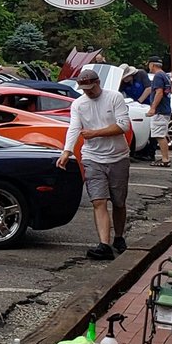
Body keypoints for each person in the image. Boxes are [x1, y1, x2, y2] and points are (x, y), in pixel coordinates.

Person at [59, 67, 133, 260]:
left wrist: (94, 133)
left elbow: (123, 125)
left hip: (118, 156)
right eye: (84, 89)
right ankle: (104, 244)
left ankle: (119, 237)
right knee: (98, 201)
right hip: (92, 157)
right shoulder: (79, 104)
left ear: (98, 83)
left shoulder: (114, 97)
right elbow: (74, 128)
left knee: (118, 202)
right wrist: (67, 151)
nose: (88, 92)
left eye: (91, 88)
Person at [144, 58, 172, 166]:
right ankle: (165, 158)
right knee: (162, 134)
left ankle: (165, 159)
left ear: (152, 65)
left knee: (160, 135)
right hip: (165, 109)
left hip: (160, 111)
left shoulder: (157, 76)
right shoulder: (165, 75)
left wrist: (153, 108)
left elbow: (159, 92)